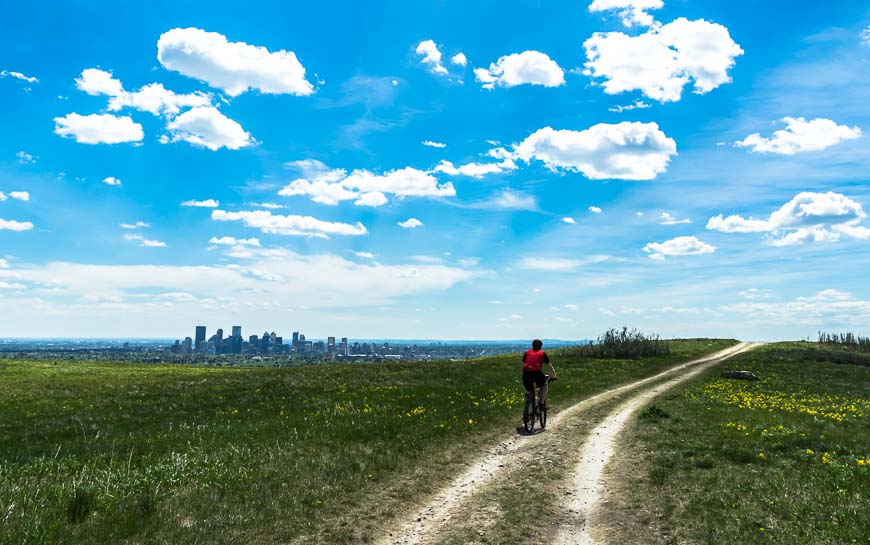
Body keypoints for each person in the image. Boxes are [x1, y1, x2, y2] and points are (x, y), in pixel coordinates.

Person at [522, 339, 556, 410]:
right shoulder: (542, 353)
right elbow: (550, 368)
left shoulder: (527, 353)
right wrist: (554, 377)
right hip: (536, 373)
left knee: (529, 389)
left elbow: (524, 364)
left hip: (525, 373)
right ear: (541, 346)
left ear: (532, 345)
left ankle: (527, 402)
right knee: (544, 384)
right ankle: (541, 403)